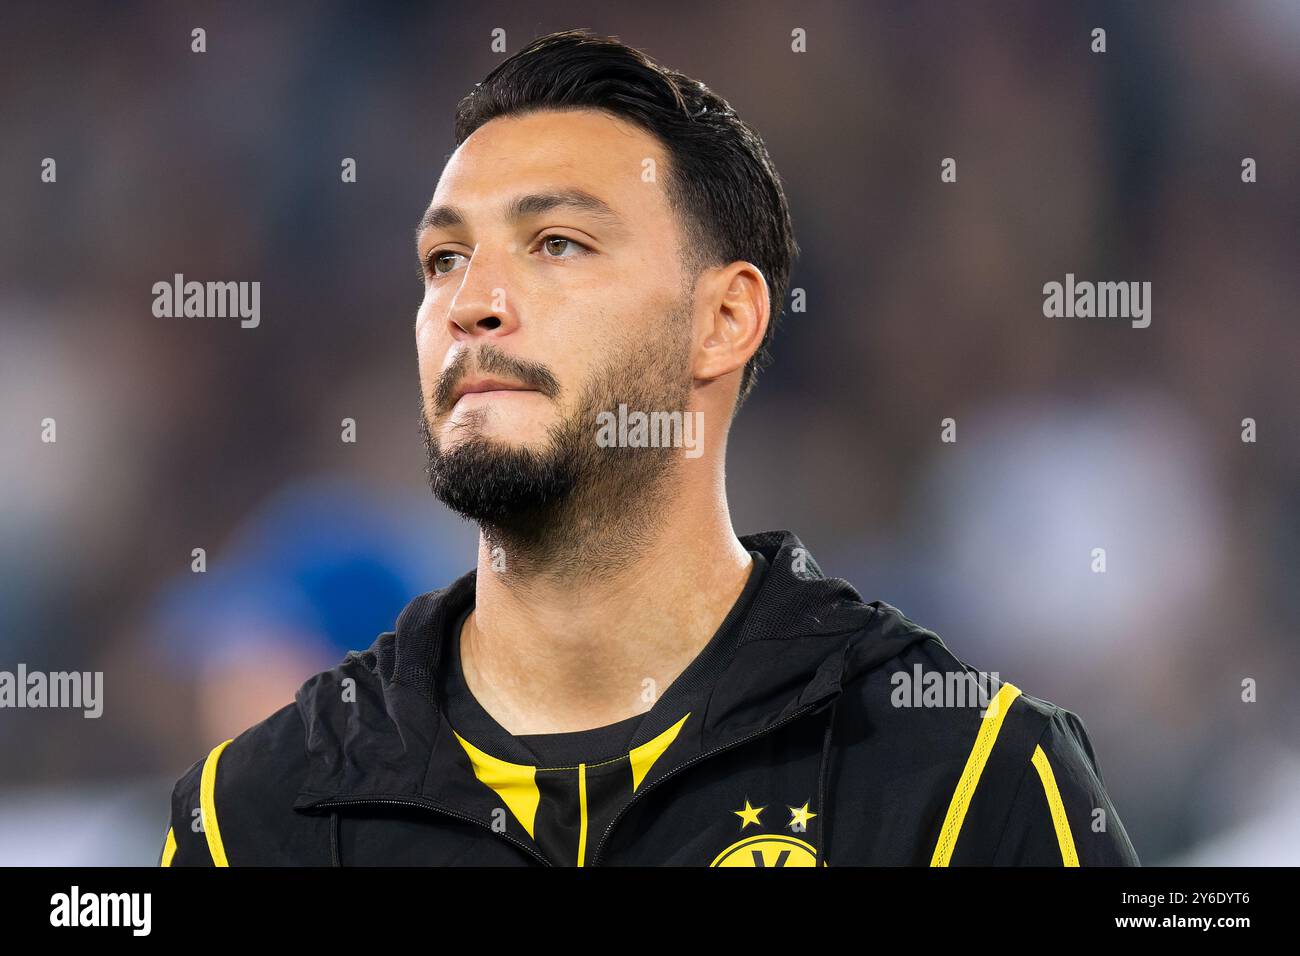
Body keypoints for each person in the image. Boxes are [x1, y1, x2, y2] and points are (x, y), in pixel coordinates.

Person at [159, 29, 1138, 867]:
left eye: (558, 244)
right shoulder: (256, 815)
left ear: (722, 319)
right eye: (444, 258)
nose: (472, 302)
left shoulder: (960, 780)